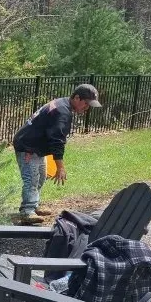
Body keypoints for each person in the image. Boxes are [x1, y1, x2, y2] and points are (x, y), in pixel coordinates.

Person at [12, 83, 101, 224]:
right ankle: (27, 211)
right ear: (77, 98)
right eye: (86, 103)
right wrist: (60, 167)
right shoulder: (62, 111)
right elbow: (57, 141)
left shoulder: (63, 104)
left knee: (41, 177)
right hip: (28, 146)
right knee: (32, 179)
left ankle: (33, 205)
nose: (87, 108)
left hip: (36, 146)